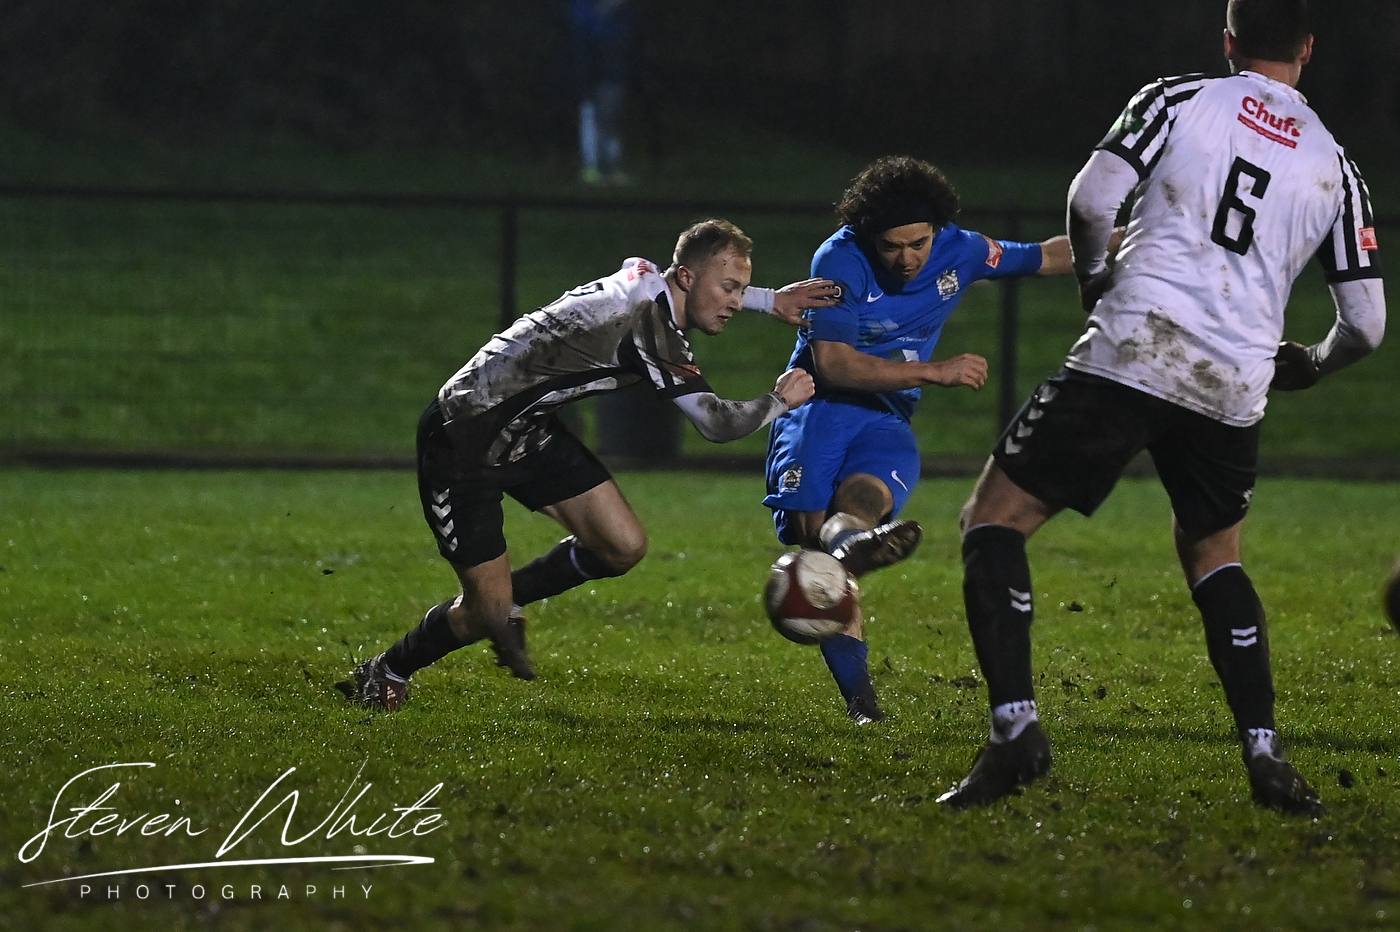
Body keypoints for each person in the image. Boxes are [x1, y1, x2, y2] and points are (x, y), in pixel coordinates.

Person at [938, 0, 1385, 814]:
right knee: (1215, 553)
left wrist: (1092, 279)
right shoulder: (1337, 166)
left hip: (1136, 346)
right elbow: (1367, 324)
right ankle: (1264, 752)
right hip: (1235, 378)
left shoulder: (1177, 99)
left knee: (993, 520)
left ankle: (1016, 732)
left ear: (1229, 39)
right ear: (1309, 48)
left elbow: (1091, 201)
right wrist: (1313, 365)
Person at [338, 219, 839, 711]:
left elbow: (699, 282)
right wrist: (780, 399)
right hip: (462, 435)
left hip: (526, 432)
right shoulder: (650, 326)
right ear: (686, 278)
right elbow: (716, 423)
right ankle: (388, 668)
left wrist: (769, 300)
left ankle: (513, 599)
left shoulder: (644, 275)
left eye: (741, 290)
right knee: (484, 612)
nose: (735, 300)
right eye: (730, 289)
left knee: (623, 546)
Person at [762, 156, 1077, 725]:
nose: (906, 258)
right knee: (817, 550)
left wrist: (1141, 240)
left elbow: (1049, 255)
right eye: (891, 247)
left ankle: (853, 549)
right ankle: (862, 697)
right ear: (869, 237)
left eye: (919, 243)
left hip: (887, 417)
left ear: (938, 230)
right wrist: (934, 371)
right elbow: (834, 365)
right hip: (818, 409)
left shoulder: (965, 249)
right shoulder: (839, 261)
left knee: (862, 504)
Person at [571, 0, 635, 184]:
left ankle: (612, 166)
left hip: (612, 69)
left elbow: (625, 28)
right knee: (591, 116)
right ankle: (592, 167)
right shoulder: (583, 10)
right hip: (590, 68)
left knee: (611, 118)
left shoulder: (623, 15)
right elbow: (583, 26)